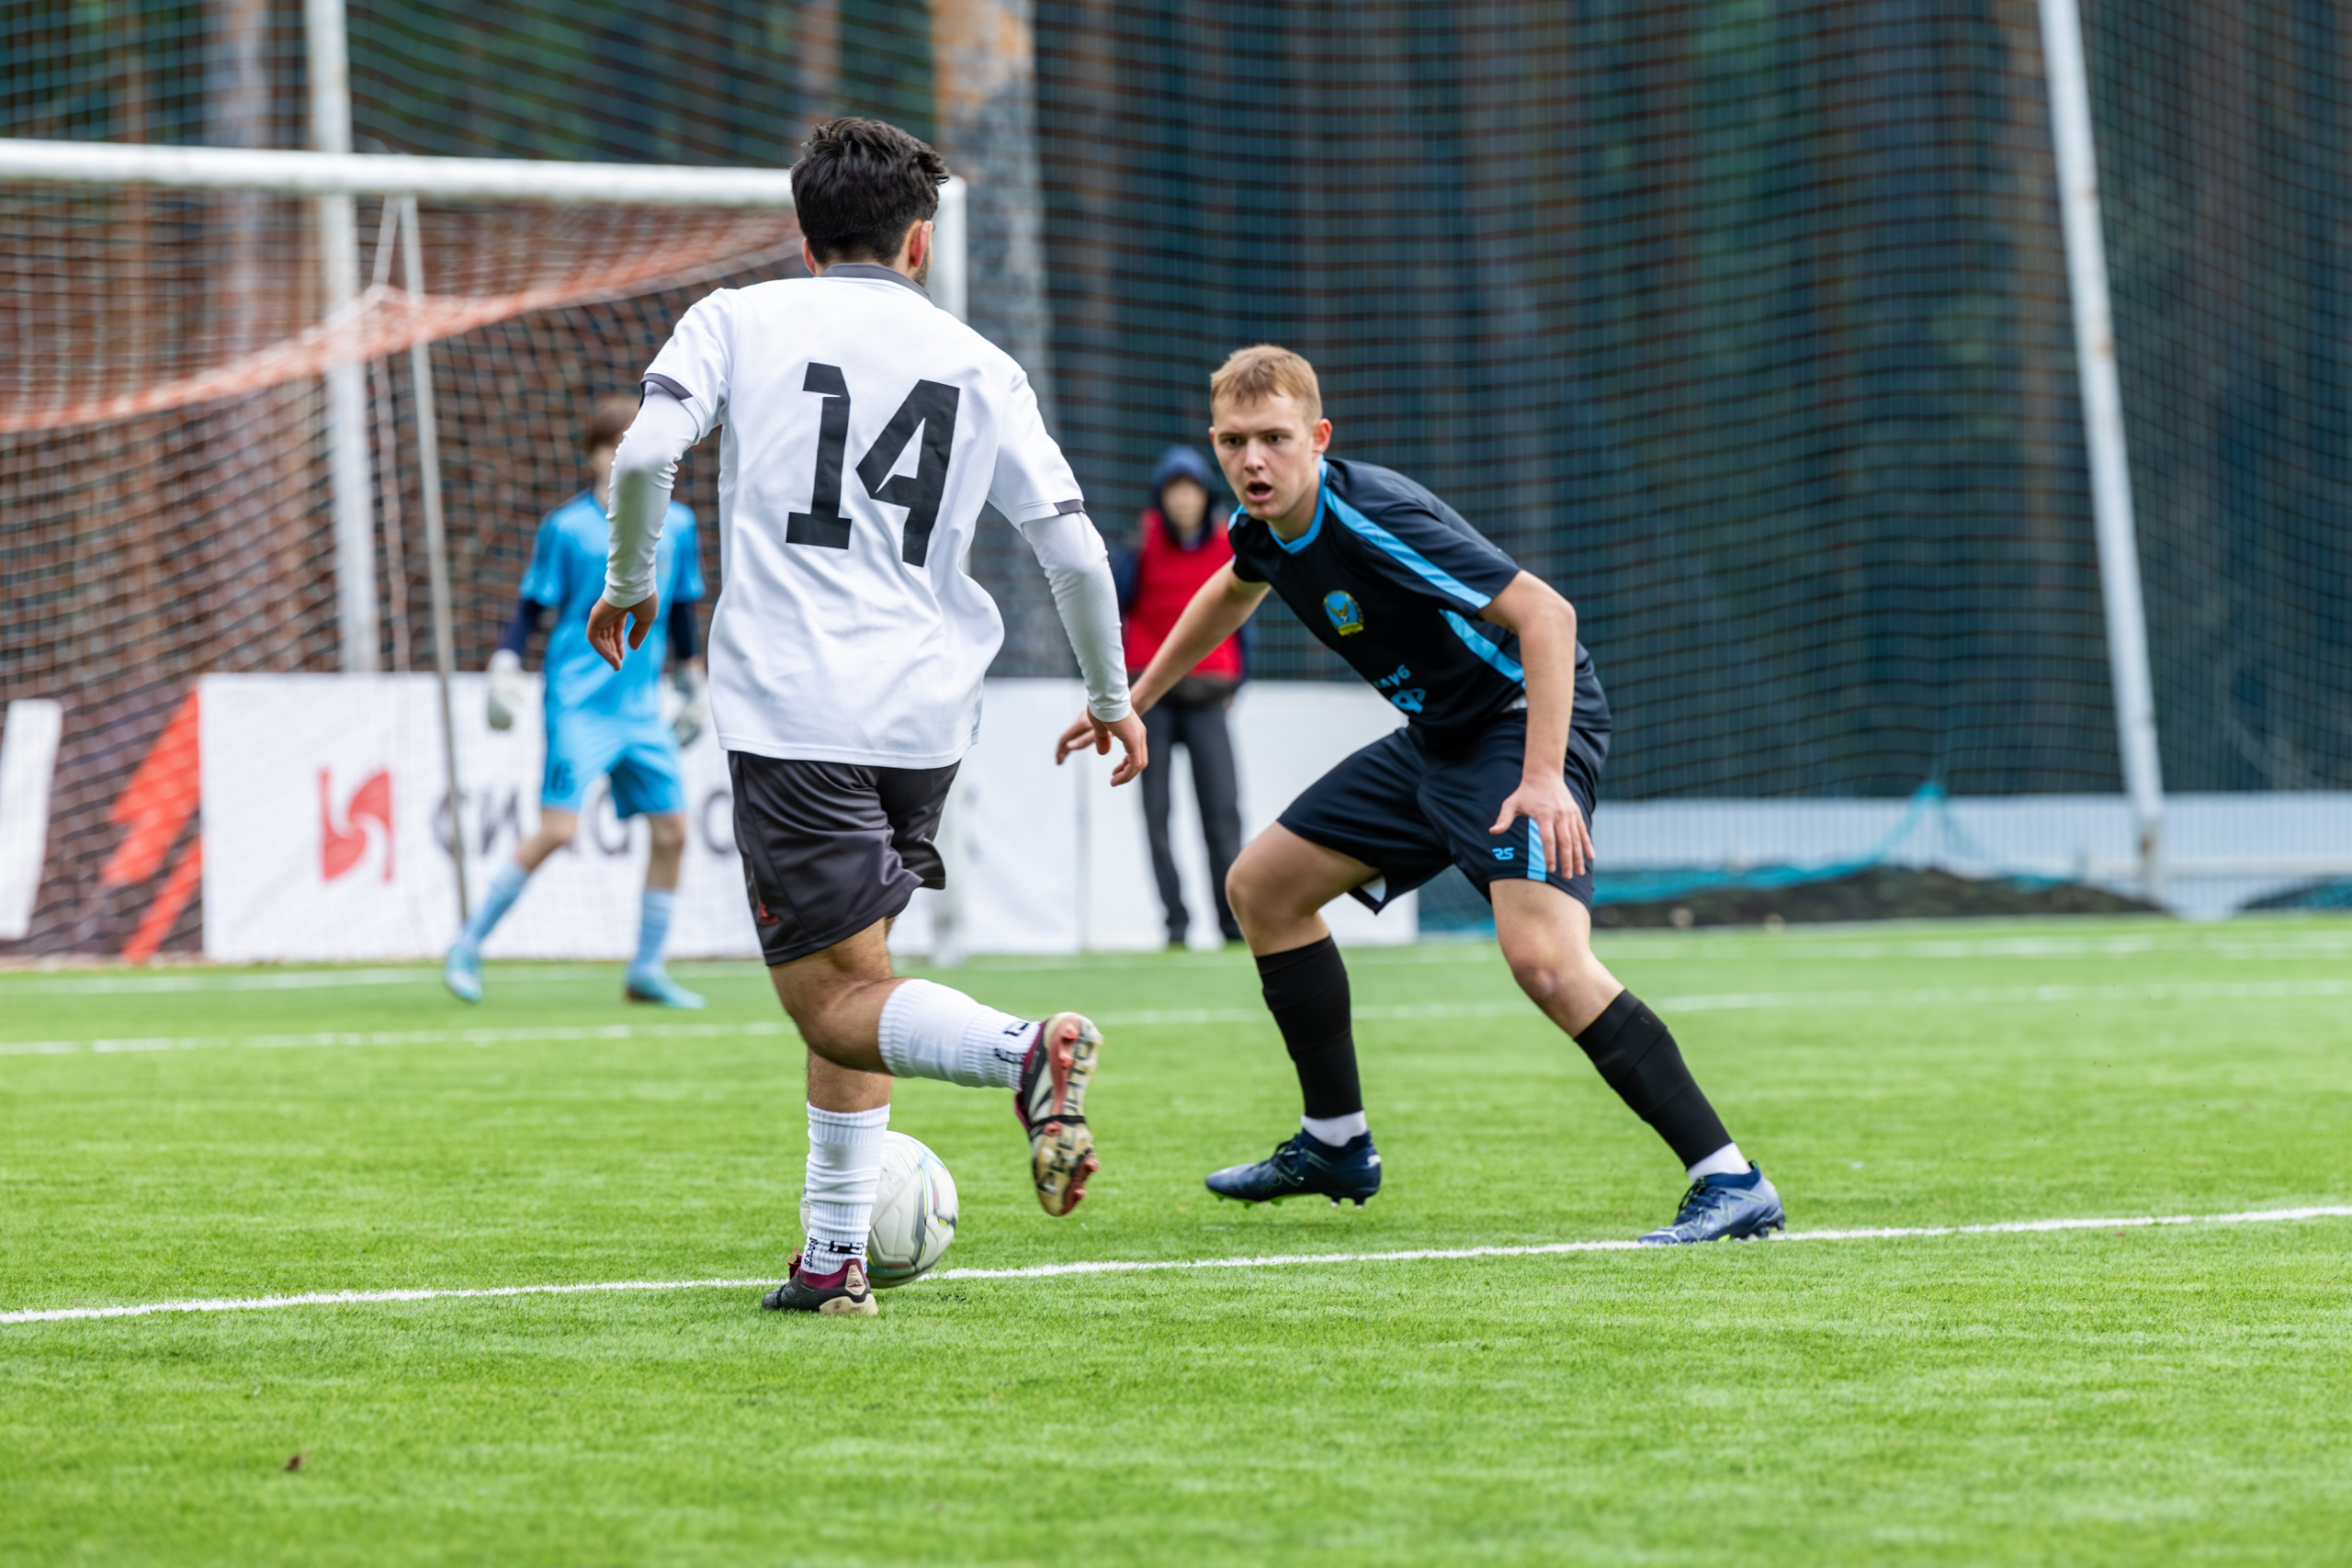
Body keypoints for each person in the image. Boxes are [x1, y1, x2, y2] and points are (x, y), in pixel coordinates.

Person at [586, 118, 1147, 1315]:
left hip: (798, 706)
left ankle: (1023, 1049)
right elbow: (1073, 550)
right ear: (920, 242)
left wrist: (631, 582)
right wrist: (1110, 696)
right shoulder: (981, 363)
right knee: (863, 979)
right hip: (926, 719)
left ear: (801, 234)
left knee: (828, 998)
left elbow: (644, 456)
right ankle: (833, 1254)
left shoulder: (739, 318)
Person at [1057, 344, 1783, 1246]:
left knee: (1546, 963)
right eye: (1235, 441)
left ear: (1318, 438)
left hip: (1516, 726)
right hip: (1439, 739)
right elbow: (1229, 593)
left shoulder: (1370, 514)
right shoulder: (1261, 527)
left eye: (1275, 439)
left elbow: (1547, 617)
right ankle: (1334, 1141)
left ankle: (1730, 1179)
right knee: (1263, 889)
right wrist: (1127, 701)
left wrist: (1544, 777)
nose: (1253, 461)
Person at [443, 396, 711, 1010]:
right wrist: (506, 664)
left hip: (641, 708)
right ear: (590, 454)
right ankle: (468, 943)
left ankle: (645, 969)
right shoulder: (567, 528)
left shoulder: (680, 525)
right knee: (558, 832)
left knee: (673, 830)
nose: (620, 457)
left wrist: (692, 680)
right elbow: (532, 607)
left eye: (631, 444)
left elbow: (681, 607)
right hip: (580, 703)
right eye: (609, 445)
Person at [1114, 445, 1246, 947]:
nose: (1184, 501)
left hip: (1210, 696)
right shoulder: (1139, 548)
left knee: (1223, 813)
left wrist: (1240, 680)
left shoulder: (1227, 545)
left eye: (1192, 490)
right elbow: (1116, 611)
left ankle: (1230, 922)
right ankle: (1176, 923)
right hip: (1154, 702)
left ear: (1204, 495)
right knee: (1156, 815)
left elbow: (1240, 620)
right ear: (1161, 499)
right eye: (1175, 491)